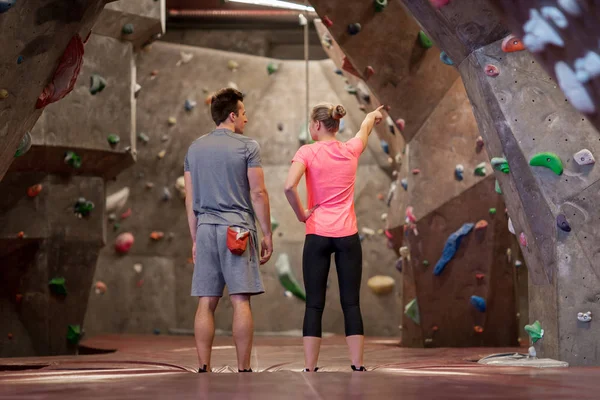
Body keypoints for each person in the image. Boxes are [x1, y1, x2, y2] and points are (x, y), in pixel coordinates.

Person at [284, 103, 383, 372]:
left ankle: (310, 367)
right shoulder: (351, 149)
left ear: (317, 125)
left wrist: (302, 214)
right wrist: (372, 115)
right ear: (336, 124)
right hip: (347, 235)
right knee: (351, 302)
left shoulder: (307, 151)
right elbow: (365, 129)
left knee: (314, 304)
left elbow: (288, 186)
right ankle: (357, 364)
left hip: (317, 234)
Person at [184, 87, 274, 373]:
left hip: (206, 228)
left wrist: (195, 238)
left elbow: (190, 198)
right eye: (244, 113)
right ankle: (244, 368)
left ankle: (203, 367)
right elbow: (258, 192)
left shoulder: (194, 149)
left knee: (206, 301)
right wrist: (267, 233)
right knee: (240, 300)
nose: (246, 119)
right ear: (232, 115)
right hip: (237, 231)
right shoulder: (248, 146)